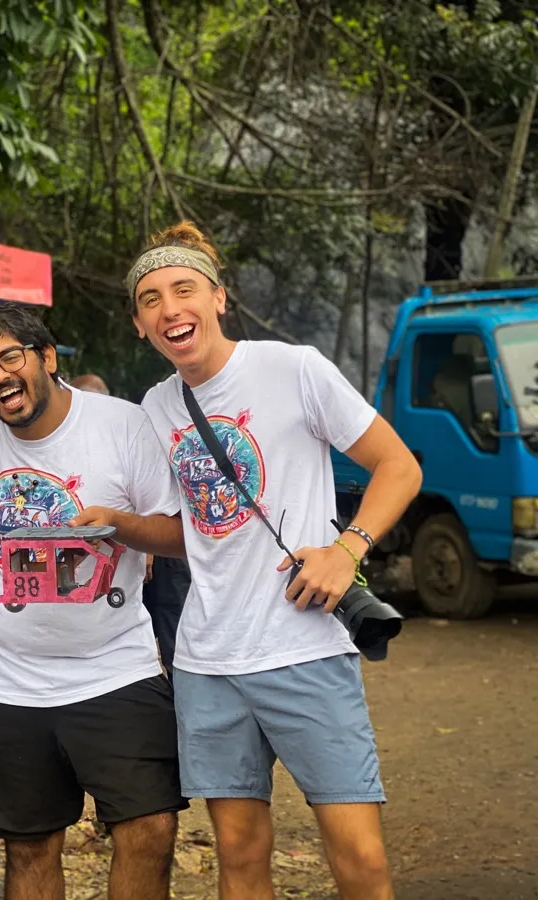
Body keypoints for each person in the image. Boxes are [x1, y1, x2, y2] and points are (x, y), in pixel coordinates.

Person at [128, 222, 422, 900]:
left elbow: (399, 467)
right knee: (238, 852)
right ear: (140, 323)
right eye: (151, 299)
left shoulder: (294, 369)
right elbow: (196, 530)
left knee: (360, 858)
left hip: (305, 647)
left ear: (218, 298)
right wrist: (120, 527)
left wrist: (348, 550)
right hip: (209, 660)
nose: (170, 308)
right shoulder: (157, 406)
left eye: (184, 289)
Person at [0, 303, 189, 900]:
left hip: (116, 670)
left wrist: (120, 525)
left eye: (10, 357)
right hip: (6, 684)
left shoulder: (121, 426)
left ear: (47, 358)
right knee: (29, 847)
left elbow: (180, 535)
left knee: (150, 828)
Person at [70, 371, 189, 673]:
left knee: (171, 623)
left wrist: (147, 546)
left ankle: (175, 687)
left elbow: (159, 497)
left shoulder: (132, 430)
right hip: (115, 556)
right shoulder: (70, 442)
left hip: (160, 547)